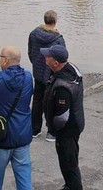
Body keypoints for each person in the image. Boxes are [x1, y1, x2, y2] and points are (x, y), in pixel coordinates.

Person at [0, 46, 33, 190]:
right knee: (24, 177)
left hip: (1, 136)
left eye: (0, 57)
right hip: (22, 135)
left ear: (5, 60)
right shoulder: (28, 77)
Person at [41, 45, 84, 190]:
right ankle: (69, 186)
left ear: (56, 63)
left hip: (66, 131)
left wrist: (53, 128)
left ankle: (73, 187)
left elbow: (62, 117)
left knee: (68, 164)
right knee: (69, 161)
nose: (45, 59)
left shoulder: (62, 87)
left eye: (47, 57)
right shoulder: (71, 70)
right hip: (76, 124)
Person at [27, 10, 65, 142]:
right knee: (52, 102)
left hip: (38, 72)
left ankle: (34, 129)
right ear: (55, 21)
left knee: (37, 100)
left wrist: (36, 64)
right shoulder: (58, 38)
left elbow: (30, 52)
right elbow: (62, 57)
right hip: (52, 73)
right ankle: (51, 131)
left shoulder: (33, 34)